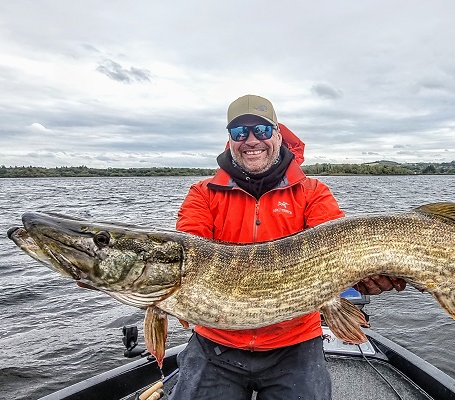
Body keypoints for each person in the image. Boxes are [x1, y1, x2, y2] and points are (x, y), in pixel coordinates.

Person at [171, 94, 406, 399]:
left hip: (295, 343)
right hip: (216, 343)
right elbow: (188, 257)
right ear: (230, 140)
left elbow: (343, 253)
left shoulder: (312, 192)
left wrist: (366, 277)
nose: (251, 140)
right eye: (240, 133)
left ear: (278, 134)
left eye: (262, 131)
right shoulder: (203, 194)